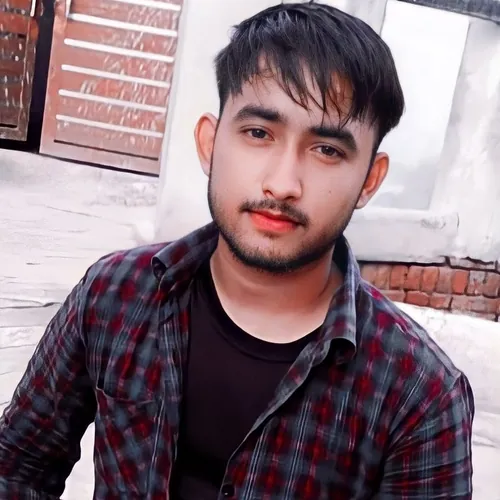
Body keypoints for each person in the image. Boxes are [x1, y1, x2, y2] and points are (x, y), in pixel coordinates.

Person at [0, 2, 474, 499]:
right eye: (258, 133)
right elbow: (18, 466)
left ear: (370, 181)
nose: (283, 183)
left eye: (327, 150)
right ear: (209, 143)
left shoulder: (420, 394)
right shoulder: (115, 295)